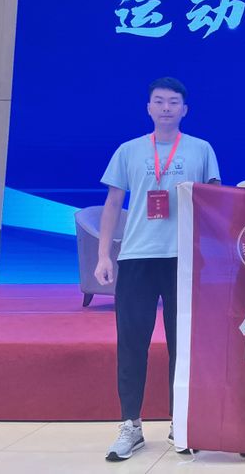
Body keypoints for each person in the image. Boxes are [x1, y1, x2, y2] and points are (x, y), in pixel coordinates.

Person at [95, 77, 220, 462]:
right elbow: (113, 204)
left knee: (183, 345)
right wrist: (103, 256)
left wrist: (213, 256)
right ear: (148, 107)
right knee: (132, 342)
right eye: (159, 101)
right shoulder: (128, 150)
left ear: (185, 109)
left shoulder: (201, 149)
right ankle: (130, 425)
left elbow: (216, 201)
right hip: (136, 257)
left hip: (185, 258)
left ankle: (179, 422)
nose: (166, 108)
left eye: (173, 102)